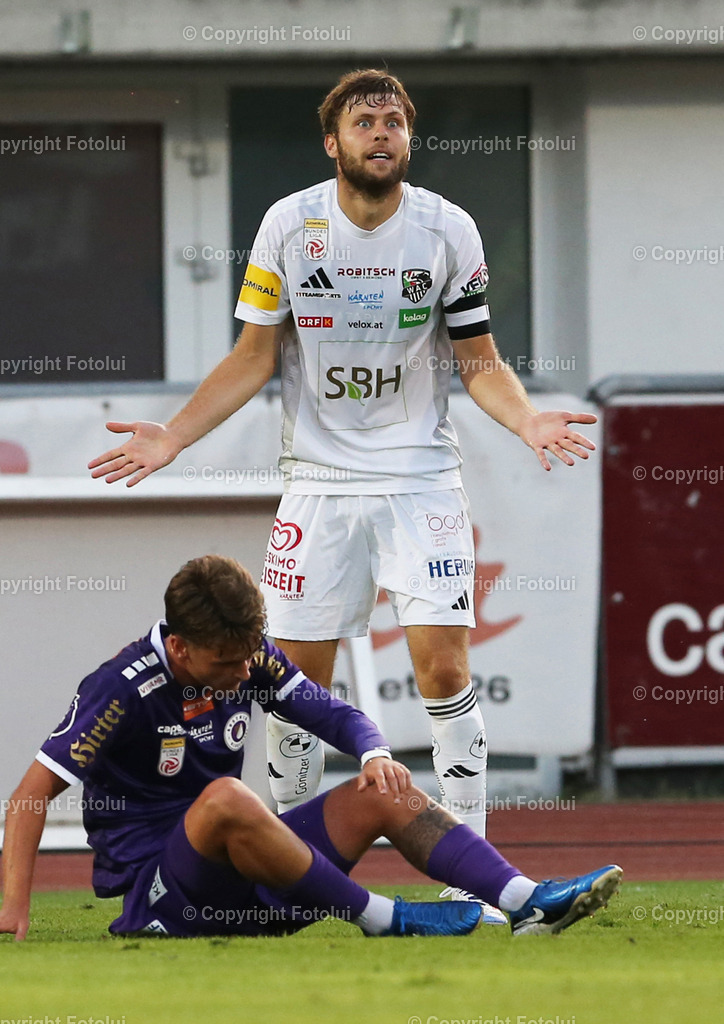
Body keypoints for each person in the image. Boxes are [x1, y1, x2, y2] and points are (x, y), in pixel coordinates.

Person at [87, 70, 598, 918]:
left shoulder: (447, 231)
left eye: (395, 120)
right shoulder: (290, 226)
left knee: (443, 664)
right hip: (318, 483)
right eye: (365, 121)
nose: (383, 132)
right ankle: (290, 871)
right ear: (334, 143)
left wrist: (528, 422)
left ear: (408, 139)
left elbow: (479, 363)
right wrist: (172, 436)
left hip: (418, 476)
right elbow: (253, 357)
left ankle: (478, 880)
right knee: (293, 681)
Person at [0, 556, 621, 943]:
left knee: (379, 788)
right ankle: (384, 920)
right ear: (180, 647)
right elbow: (28, 796)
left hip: (253, 875)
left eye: (251, 656)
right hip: (162, 894)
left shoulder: (247, 658)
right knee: (225, 798)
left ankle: (527, 899)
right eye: (227, 661)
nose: (245, 673)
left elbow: (331, 712)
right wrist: (16, 906)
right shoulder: (122, 688)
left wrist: (374, 752)